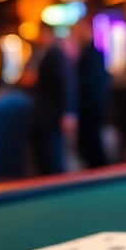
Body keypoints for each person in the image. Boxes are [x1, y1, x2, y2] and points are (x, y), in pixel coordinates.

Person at [31, 28, 76, 175]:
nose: (39, 37)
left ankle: (59, 193)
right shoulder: (49, 54)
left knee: (53, 161)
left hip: (52, 117)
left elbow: (66, 84)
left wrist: (68, 112)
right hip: (47, 117)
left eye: (41, 33)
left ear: (48, 34)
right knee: (46, 159)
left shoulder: (55, 55)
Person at [72, 18, 111, 168]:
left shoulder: (93, 53)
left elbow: (89, 81)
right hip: (91, 104)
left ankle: (100, 172)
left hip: (92, 104)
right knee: (90, 141)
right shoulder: (87, 53)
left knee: (94, 141)